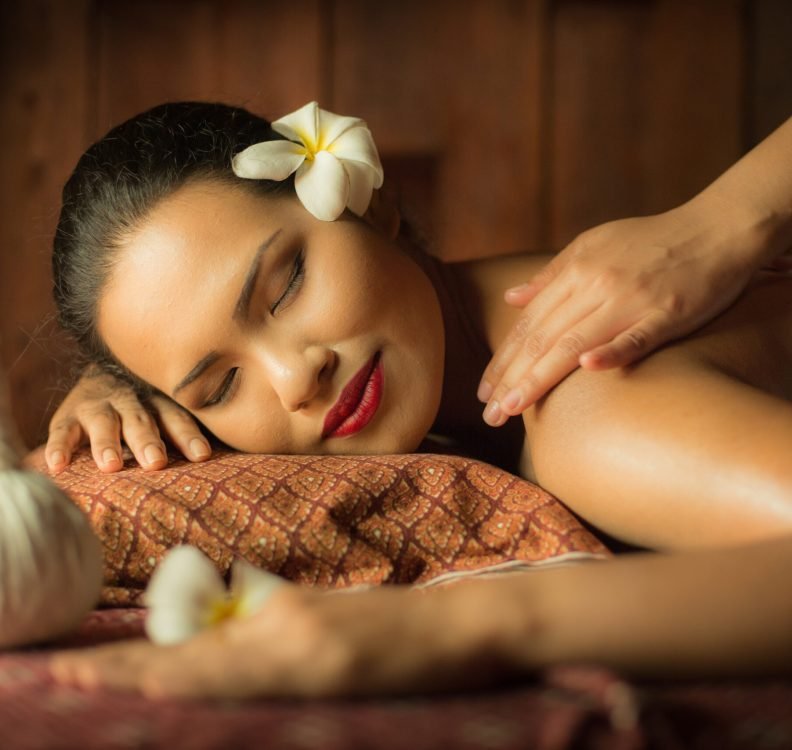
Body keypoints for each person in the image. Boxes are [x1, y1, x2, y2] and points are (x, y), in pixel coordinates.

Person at [46, 102, 792, 698]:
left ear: (372, 206)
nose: (295, 379)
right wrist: (114, 391)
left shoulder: (588, 409)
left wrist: (458, 626)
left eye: (288, 284)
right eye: (220, 386)